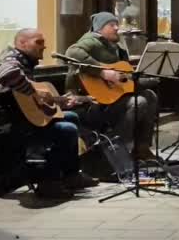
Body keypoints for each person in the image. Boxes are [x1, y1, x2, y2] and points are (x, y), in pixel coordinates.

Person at [0, 28, 96, 197]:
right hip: (7, 124)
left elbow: (27, 102)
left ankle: (71, 175)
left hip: (23, 118)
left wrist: (60, 102)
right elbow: (6, 73)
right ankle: (48, 182)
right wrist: (34, 92)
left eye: (43, 42)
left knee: (71, 117)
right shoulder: (11, 58)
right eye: (38, 42)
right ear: (22, 43)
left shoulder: (25, 63)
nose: (43, 46)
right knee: (66, 130)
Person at [66, 12, 160, 159]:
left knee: (150, 96)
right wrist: (102, 72)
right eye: (111, 25)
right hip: (93, 102)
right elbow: (71, 53)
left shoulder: (116, 46)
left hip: (114, 97)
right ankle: (114, 151)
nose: (117, 28)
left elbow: (124, 77)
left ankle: (141, 147)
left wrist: (149, 78)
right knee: (139, 102)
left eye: (117, 24)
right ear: (99, 28)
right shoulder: (92, 40)